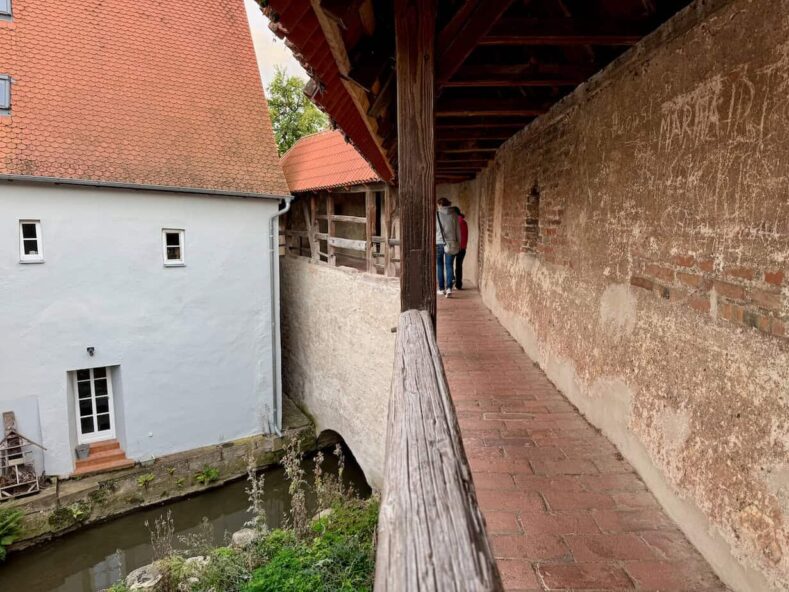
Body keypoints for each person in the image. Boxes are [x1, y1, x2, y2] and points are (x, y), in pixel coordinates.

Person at [435, 197, 460, 297]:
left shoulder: (436, 215)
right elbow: (458, 230)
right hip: (451, 243)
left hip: (438, 243)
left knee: (439, 265)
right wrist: (459, 242)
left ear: (439, 204)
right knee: (449, 265)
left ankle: (441, 289)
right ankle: (449, 288)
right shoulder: (454, 215)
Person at [452, 206, 468, 290]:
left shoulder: (454, 222)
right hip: (463, 248)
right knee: (459, 266)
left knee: (449, 265)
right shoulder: (464, 222)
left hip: (455, 247)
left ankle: (451, 281)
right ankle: (458, 284)